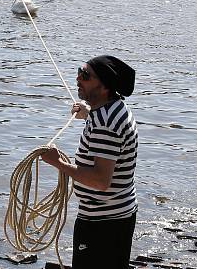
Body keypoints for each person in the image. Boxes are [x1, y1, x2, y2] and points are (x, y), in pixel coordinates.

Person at [41, 55, 138, 269]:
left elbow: (100, 180)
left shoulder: (105, 123)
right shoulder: (109, 110)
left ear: (104, 87)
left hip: (103, 223)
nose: (77, 78)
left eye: (85, 75)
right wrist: (88, 114)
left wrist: (58, 163)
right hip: (114, 216)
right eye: (79, 71)